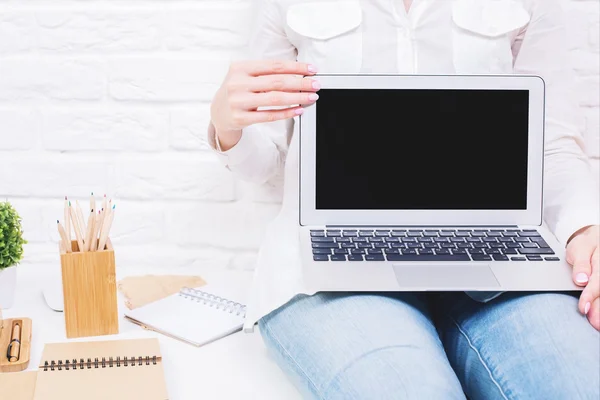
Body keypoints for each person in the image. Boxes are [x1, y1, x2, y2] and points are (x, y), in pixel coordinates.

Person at [209, 0, 600, 398]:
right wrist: (227, 124)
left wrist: (584, 230)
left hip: (492, 254)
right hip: (333, 268)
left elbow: (550, 145)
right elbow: (265, 159)